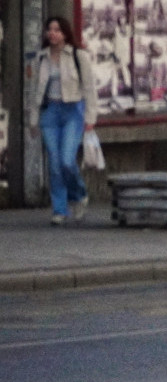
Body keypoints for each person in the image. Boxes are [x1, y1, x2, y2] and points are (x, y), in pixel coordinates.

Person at [26, 17, 97, 226]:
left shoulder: (78, 56)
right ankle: (59, 210)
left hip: (72, 111)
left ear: (65, 33)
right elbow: (34, 92)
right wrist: (33, 119)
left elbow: (90, 89)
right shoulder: (41, 58)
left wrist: (90, 118)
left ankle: (79, 195)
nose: (53, 33)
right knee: (55, 164)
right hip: (50, 112)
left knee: (67, 161)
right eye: (50, 29)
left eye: (57, 30)